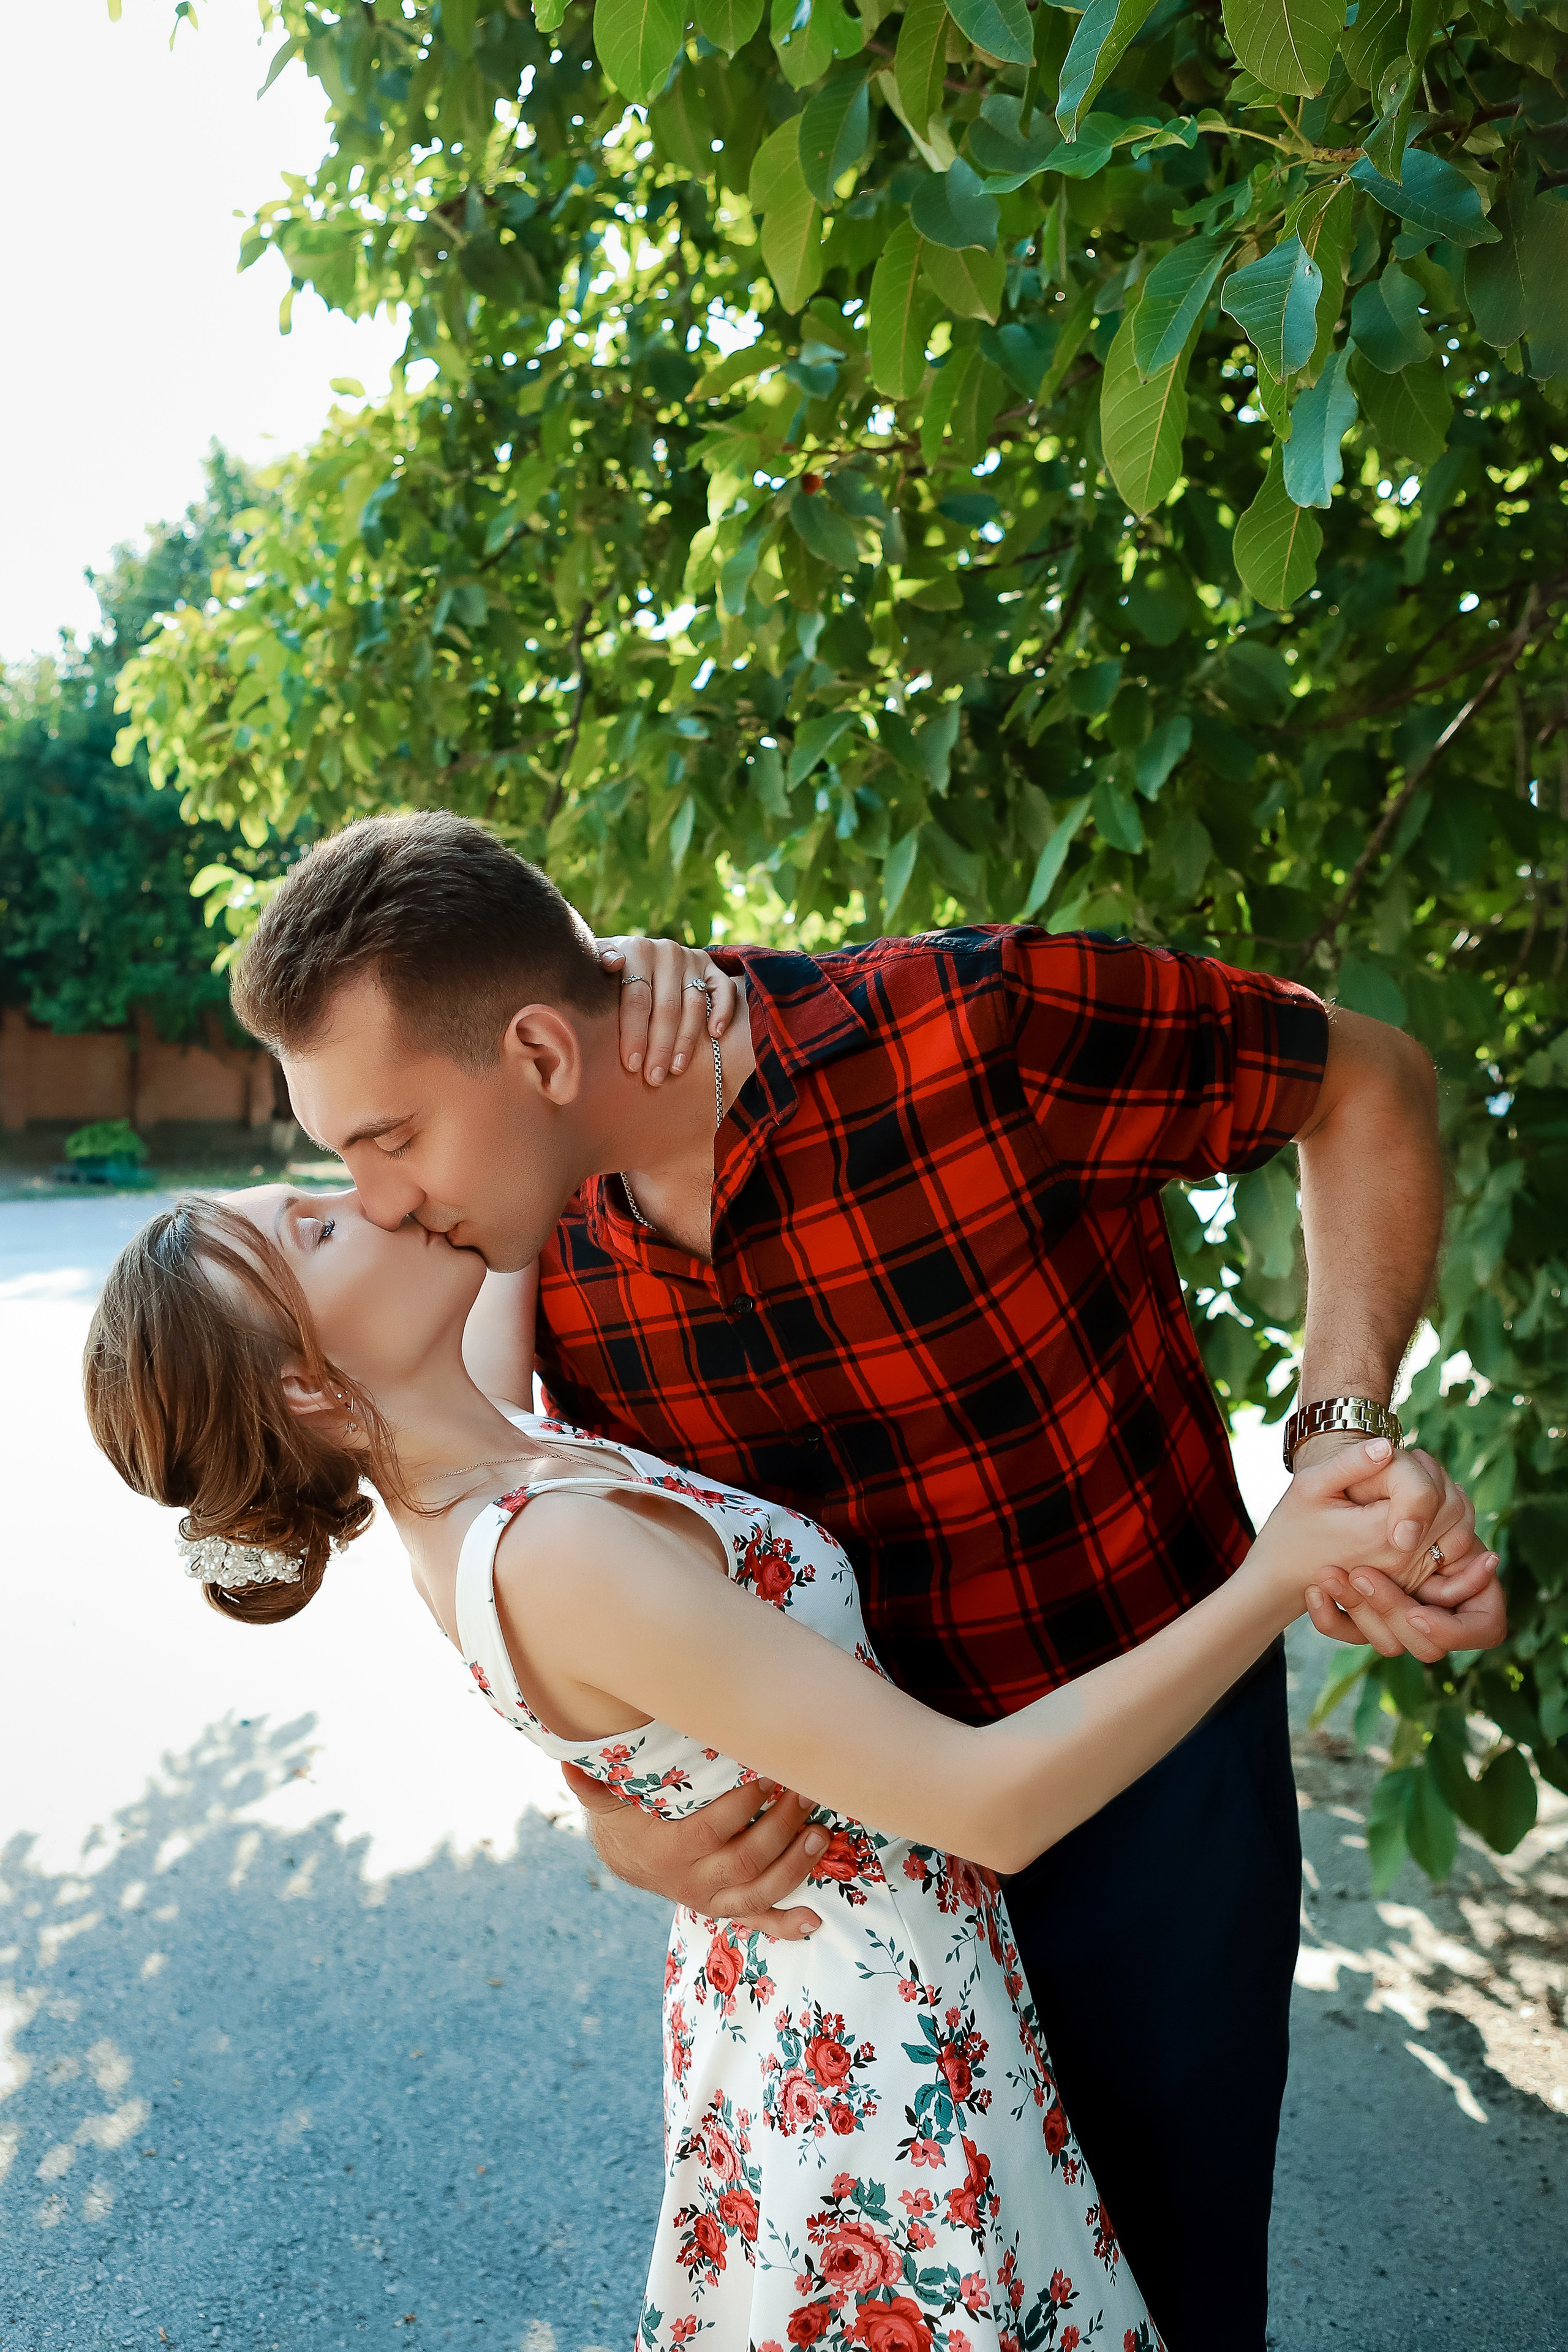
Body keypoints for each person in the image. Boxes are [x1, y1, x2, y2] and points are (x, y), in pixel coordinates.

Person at [213, 811, 1505, 2348]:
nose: (369, 1196)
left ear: (544, 1057)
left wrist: (1338, 1444)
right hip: (857, 1919)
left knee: (1173, 2286)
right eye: (339, 1159)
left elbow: (1369, 1084)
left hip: (1147, 1797)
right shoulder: (513, 1242)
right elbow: (550, 1574)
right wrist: (617, 1815)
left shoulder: (972, 1029)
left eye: (386, 1136)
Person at [83, 1178, 1490, 2352]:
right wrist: (1268, 1577)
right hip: (874, 2026)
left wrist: (626, 999)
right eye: (320, 1229)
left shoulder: (468, 1452)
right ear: (312, 1388)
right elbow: (985, 1804)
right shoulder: (547, 1547)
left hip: (807, 1995)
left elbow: (504, 1169)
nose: (376, 1193)